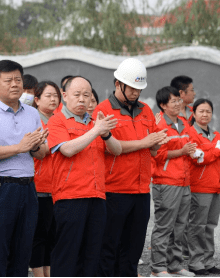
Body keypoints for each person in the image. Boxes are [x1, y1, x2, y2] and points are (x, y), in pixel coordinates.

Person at [0, 60, 49, 277]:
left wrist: (35, 146)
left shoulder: (32, 114)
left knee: (23, 251)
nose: (15, 84)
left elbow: (41, 154)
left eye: (18, 79)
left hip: (27, 187)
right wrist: (19, 147)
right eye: (9, 80)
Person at [94, 58, 168, 277]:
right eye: (132, 88)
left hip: (141, 190)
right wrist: (145, 143)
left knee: (133, 249)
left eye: (139, 89)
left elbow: (152, 151)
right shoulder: (103, 111)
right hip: (113, 190)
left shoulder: (145, 110)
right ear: (118, 84)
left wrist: (155, 143)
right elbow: (108, 148)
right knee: (108, 248)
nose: (136, 93)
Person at [47, 77, 121, 276]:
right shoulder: (57, 121)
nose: (82, 100)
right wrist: (97, 130)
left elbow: (117, 150)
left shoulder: (95, 123)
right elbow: (68, 150)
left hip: (97, 196)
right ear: (64, 96)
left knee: (92, 254)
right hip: (70, 197)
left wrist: (105, 134)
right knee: (67, 253)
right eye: (77, 94)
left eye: (86, 95)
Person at [150, 86, 197, 277]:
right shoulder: (159, 126)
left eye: (179, 100)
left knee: (179, 226)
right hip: (166, 182)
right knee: (164, 226)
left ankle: (175, 265)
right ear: (163, 105)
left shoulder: (184, 123)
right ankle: (158, 267)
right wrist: (183, 151)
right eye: (173, 101)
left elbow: (190, 146)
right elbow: (158, 155)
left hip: (184, 181)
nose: (178, 104)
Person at [186, 99, 220, 276]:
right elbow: (199, 159)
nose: (205, 114)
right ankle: (196, 262)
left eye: (208, 111)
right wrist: (217, 151)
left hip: (216, 187)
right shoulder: (191, 133)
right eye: (201, 111)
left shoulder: (215, 134)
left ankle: (207, 261)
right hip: (199, 187)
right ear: (194, 113)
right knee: (197, 226)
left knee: (210, 226)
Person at [29, 81, 61, 277]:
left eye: (55, 95)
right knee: (39, 235)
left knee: (52, 234)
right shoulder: (33, 121)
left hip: (59, 187)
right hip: (39, 185)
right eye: (48, 95)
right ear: (37, 99)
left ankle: (48, 272)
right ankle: (39, 274)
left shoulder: (59, 120)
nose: (53, 99)